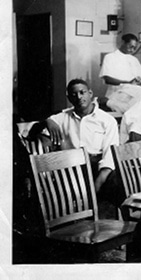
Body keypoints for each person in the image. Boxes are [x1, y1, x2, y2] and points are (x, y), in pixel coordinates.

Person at [28, 79, 124, 207]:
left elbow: (109, 157)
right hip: (71, 170)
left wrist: (97, 184)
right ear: (69, 98)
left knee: (118, 184)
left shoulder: (107, 120)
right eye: (74, 95)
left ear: (90, 93)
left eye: (82, 92)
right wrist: (47, 122)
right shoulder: (62, 118)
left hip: (98, 168)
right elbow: (31, 132)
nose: (79, 97)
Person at [99, 33, 141, 113]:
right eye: (130, 46)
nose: (132, 50)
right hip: (115, 96)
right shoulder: (110, 57)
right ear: (122, 43)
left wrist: (139, 81)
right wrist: (128, 82)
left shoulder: (134, 60)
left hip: (132, 98)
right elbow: (107, 79)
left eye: (134, 48)